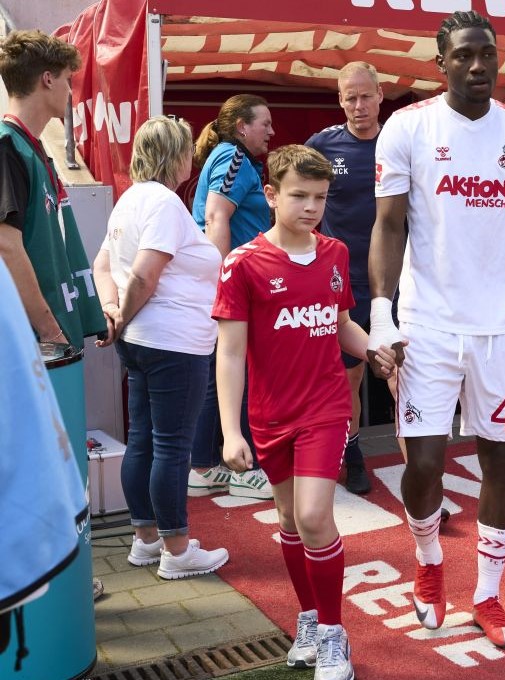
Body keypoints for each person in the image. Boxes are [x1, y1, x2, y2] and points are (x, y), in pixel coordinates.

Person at [366, 10, 505, 650]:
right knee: (424, 465)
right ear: (443, 63)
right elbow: (389, 226)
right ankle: (429, 565)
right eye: (464, 56)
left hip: (503, 329)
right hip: (427, 326)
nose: (478, 66)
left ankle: (487, 594)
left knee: (500, 461)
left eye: (487, 54)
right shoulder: (408, 127)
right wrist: (382, 312)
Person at [216, 145, 393, 680]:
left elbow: (341, 324)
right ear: (270, 196)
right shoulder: (242, 264)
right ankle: (311, 618)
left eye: (320, 197)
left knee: (316, 516)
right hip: (271, 415)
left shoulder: (335, 253)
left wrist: (372, 350)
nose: (312, 206)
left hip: (326, 406)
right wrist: (230, 430)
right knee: (291, 520)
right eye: (299, 196)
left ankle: (336, 636)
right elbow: (229, 351)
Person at [92, 116, 229, 579]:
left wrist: (113, 313)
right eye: (189, 149)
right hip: (174, 342)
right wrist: (122, 314)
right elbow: (147, 273)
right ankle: (176, 549)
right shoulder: (165, 204)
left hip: (142, 341)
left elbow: (103, 264)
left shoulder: (128, 200)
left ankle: (147, 541)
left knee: (144, 440)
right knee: (172, 447)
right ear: (178, 156)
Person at [188, 94, 275, 501]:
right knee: (235, 372)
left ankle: (207, 465)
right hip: (235, 284)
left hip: (233, 282)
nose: (272, 133)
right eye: (265, 124)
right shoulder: (233, 159)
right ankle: (237, 467)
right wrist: (222, 280)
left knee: (220, 374)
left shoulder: (233, 158)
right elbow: (215, 217)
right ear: (242, 126)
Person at [305, 62, 384, 496]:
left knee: (404, 378)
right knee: (349, 380)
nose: (358, 105)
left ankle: (421, 475)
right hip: (343, 289)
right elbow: (296, 202)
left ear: (380, 95)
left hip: (394, 285)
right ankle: (354, 458)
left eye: (365, 96)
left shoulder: (399, 143)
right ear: (339, 100)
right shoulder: (322, 145)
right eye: (349, 97)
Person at [0, 30, 106, 350]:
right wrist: (50, 330)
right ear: (48, 79)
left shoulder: (32, 148)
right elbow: (6, 245)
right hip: (32, 344)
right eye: (67, 81)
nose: (70, 92)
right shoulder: (8, 146)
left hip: (45, 340)